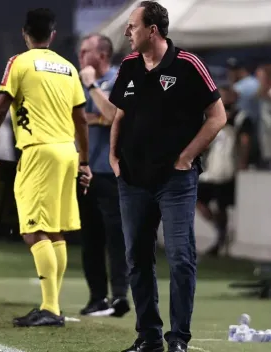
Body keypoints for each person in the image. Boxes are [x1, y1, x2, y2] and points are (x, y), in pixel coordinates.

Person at [80, 2, 226, 351]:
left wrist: (187, 157)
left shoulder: (189, 65)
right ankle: (149, 337)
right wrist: (114, 157)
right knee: (136, 260)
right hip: (132, 180)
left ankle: (179, 338)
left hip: (175, 181)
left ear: (152, 31)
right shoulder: (129, 65)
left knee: (180, 258)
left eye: (132, 26)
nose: (127, 33)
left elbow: (217, 116)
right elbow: (119, 115)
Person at [0, 8, 91, 327]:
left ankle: (51, 308)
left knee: (31, 228)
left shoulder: (19, 62)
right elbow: (81, 118)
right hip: (67, 151)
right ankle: (51, 303)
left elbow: (0, 108)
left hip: (39, 151)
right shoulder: (69, 68)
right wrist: (84, 159)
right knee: (55, 229)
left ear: (25, 34)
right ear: (52, 35)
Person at [77, 33, 130, 317]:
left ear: (101, 55)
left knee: (116, 237)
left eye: (85, 51)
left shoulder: (119, 78)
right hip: (85, 170)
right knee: (91, 238)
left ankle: (120, 296)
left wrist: (92, 85)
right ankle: (97, 297)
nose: (81, 56)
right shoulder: (77, 84)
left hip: (112, 172)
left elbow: (112, 115)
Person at [196, 85, 252, 256]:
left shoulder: (241, 117)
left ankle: (221, 239)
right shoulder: (210, 116)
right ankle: (220, 231)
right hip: (211, 168)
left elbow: (245, 140)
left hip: (228, 167)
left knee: (222, 206)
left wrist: (242, 161)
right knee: (198, 200)